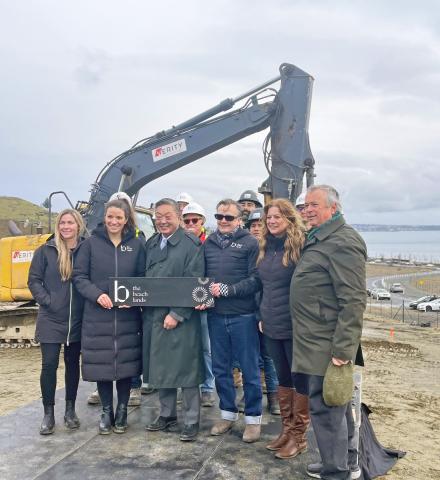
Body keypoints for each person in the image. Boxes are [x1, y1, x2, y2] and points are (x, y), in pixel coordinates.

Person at [290, 185, 366, 480]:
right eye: (305, 205)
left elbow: (354, 300)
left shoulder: (343, 241)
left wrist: (342, 350)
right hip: (313, 340)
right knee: (337, 405)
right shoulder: (320, 237)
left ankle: (336, 473)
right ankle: (342, 462)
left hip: (327, 344)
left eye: (313, 205)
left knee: (327, 411)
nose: (307, 210)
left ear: (333, 208)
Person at [73, 199, 146, 435]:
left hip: (127, 317)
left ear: (126, 220)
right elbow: (80, 277)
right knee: (103, 364)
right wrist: (97, 296)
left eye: (119, 218)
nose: (114, 221)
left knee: (125, 364)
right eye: (110, 217)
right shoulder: (90, 244)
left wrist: (133, 298)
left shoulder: (136, 245)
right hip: (98, 315)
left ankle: (122, 409)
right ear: (105, 217)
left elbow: (143, 278)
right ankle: (107, 410)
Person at [199, 199, 262, 443]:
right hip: (216, 316)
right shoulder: (209, 244)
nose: (223, 221)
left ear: (239, 220)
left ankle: (253, 419)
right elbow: (202, 277)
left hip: (243, 316)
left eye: (229, 217)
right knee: (220, 369)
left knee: (249, 369)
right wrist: (202, 296)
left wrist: (229, 290)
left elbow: (256, 280)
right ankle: (227, 414)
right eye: (219, 217)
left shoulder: (250, 243)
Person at [143, 198, 205, 442]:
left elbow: (195, 280)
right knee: (162, 368)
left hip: (182, 319)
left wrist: (177, 313)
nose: (162, 220)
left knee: (187, 370)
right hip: (155, 317)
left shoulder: (190, 244)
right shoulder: (151, 244)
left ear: (179, 216)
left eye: (167, 215)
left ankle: (191, 420)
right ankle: (167, 414)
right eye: (158, 216)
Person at [256, 199, 310, 459]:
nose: (272, 221)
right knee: (283, 378)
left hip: (294, 324)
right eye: (269, 218)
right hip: (271, 323)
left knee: (299, 378)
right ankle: (287, 430)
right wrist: (261, 315)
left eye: (278, 217)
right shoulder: (266, 247)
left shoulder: (300, 246)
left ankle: (299, 437)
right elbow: (262, 286)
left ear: (290, 219)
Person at [28, 209, 85, 435]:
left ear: (78, 225)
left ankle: (70, 410)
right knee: (49, 365)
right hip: (51, 317)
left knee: (72, 366)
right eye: (62, 223)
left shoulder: (85, 250)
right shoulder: (45, 251)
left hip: (77, 319)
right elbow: (34, 280)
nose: (66, 226)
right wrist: (47, 301)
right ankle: (48, 413)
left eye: (70, 222)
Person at [182, 202, 214, 407]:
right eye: (187, 220)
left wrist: (205, 299)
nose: (191, 223)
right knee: (184, 347)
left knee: (206, 347)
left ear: (202, 221)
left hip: (202, 305)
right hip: (183, 304)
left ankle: (208, 387)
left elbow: (213, 271)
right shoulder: (179, 243)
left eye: (195, 220)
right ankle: (186, 384)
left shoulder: (209, 244)